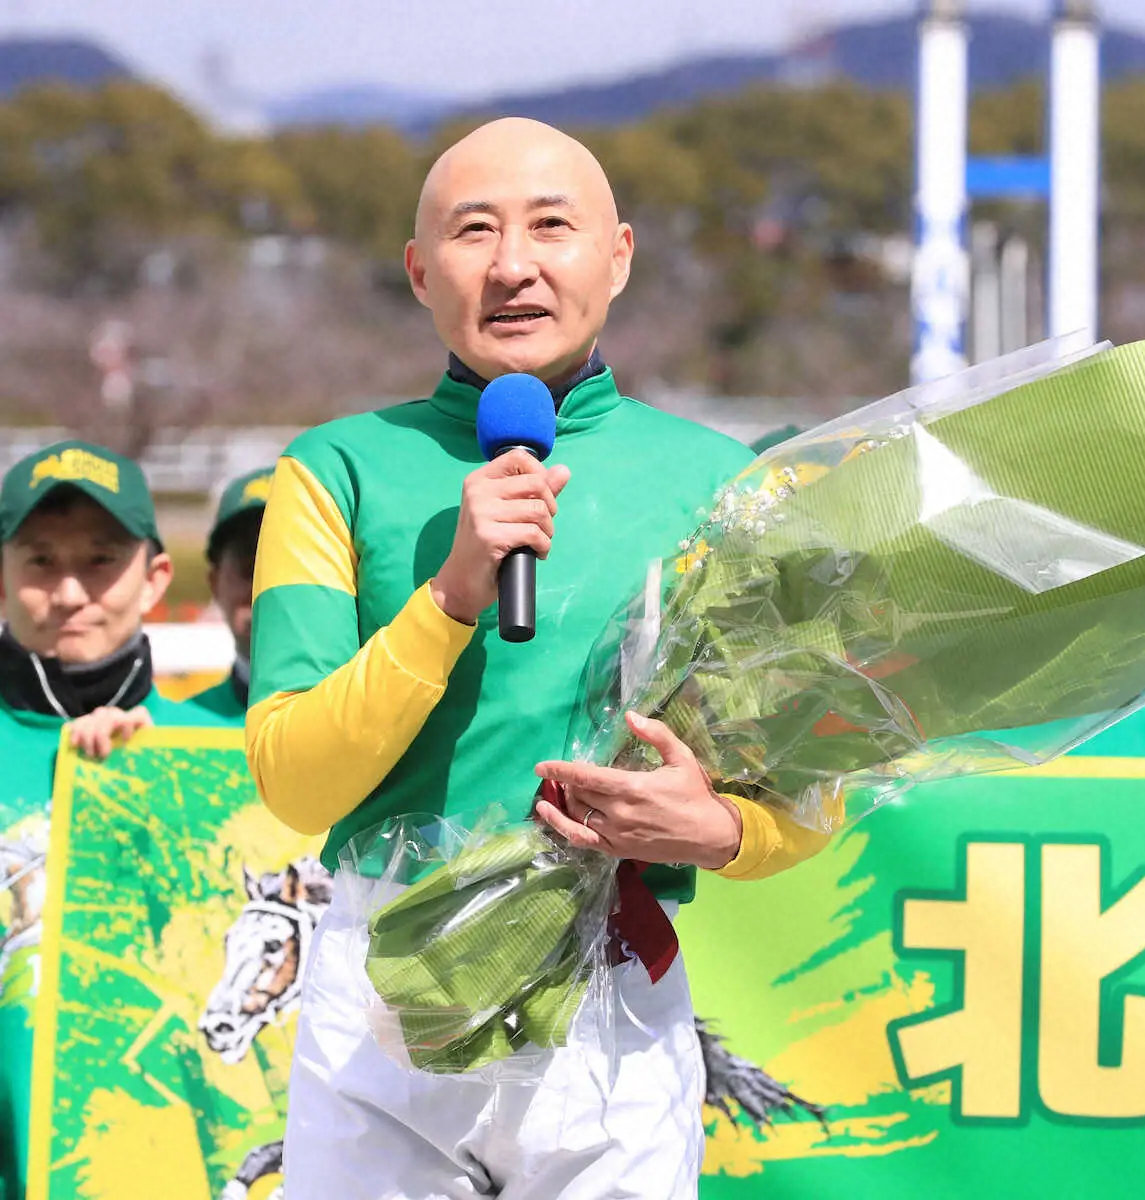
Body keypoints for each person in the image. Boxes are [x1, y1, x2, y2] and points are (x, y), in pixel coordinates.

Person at [247, 118, 830, 1200]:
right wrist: (449, 594)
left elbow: (801, 794)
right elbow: (296, 775)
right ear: (421, 273)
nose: (511, 263)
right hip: (385, 997)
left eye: (549, 226)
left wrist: (715, 828)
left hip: (615, 989)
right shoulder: (333, 468)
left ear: (616, 254)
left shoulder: (722, 481)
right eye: (473, 232)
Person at [0, 439, 233, 1200]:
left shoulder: (218, 759)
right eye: (39, 562)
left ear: (155, 578)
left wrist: (154, 793)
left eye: (100, 561)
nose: (68, 593)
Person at [190, 467, 273, 720]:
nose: (269, 589)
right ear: (214, 584)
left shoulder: (381, 725)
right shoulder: (175, 732)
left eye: (294, 570)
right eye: (251, 569)